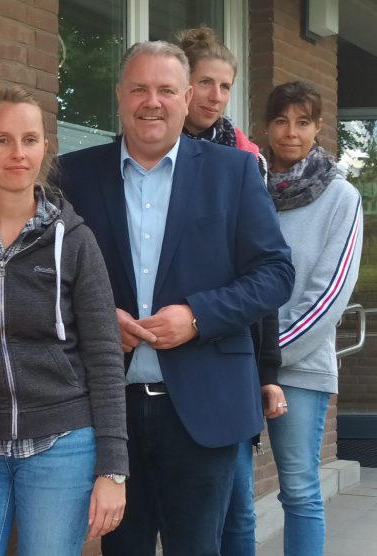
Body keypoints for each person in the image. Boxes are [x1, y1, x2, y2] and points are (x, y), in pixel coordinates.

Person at [54, 41, 294, 555]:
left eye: (166, 90)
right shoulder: (72, 175)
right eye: (139, 88)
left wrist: (198, 316)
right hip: (105, 408)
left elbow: (275, 273)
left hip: (204, 409)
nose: (152, 101)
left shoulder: (234, 173)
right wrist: (94, 320)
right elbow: (48, 278)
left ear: (186, 99)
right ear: (119, 96)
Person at [0, 85, 128, 556]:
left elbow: (104, 355)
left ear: (45, 148)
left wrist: (113, 469)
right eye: (3, 140)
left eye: (30, 140)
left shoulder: (74, 238)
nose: (18, 154)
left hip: (63, 443)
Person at [175, 26, 289, 556]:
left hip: (229, 360)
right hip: (158, 366)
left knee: (238, 506)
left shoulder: (246, 164)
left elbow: (263, 276)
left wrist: (268, 374)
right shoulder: (143, 156)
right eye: (204, 82)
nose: (215, 96)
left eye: (225, 86)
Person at [263, 80, 362, 556]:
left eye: (303, 122)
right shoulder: (249, 186)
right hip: (239, 362)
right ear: (267, 126)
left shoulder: (341, 197)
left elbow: (330, 295)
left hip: (299, 367)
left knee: (299, 491)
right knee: (233, 494)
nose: (291, 132)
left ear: (319, 127)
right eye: (281, 120)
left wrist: (270, 355)